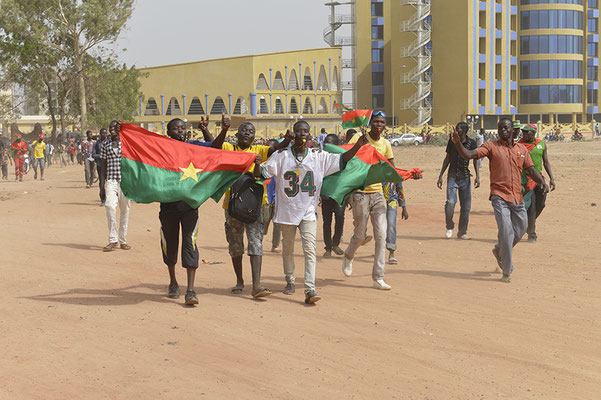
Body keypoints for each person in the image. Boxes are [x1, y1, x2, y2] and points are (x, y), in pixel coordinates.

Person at [261, 120, 367, 303]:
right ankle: (290, 280)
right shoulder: (281, 156)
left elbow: (343, 159)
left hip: (308, 211)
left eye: (305, 131)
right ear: (293, 135)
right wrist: (254, 164)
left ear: (310, 135)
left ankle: (310, 289)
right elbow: (263, 172)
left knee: (310, 250)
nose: (302, 134)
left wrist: (358, 145)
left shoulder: (319, 156)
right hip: (287, 212)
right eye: (298, 131)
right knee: (288, 249)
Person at [451, 118, 549, 282]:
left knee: (522, 228)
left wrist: (543, 182)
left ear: (513, 130)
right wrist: (457, 143)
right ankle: (507, 270)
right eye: (500, 128)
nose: (503, 130)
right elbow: (469, 155)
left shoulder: (522, 149)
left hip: (517, 196)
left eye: (506, 128)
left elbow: (531, 170)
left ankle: (499, 250)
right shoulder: (491, 146)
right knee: (506, 230)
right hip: (499, 196)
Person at [211, 118, 291, 298]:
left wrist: (286, 141)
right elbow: (215, 147)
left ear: (255, 137)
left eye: (251, 131)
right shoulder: (229, 148)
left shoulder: (259, 151)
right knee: (236, 245)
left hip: (255, 206)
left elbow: (274, 150)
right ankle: (239, 281)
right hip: (232, 206)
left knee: (256, 244)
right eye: (244, 130)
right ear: (237, 134)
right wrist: (223, 129)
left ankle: (257, 285)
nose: (247, 133)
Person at [342, 111, 421, 290]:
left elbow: (391, 169)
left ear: (385, 125)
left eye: (382, 122)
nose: (379, 125)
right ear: (370, 124)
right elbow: (345, 160)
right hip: (360, 192)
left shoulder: (385, 144)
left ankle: (378, 277)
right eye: (376, 122)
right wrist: (347, 191)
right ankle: (348, 255)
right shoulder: (357, 138)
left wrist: (409, 175)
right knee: (360, 235)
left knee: (381, 235)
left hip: (378, 194)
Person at [159, 118, 206, 305]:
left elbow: (214, 148)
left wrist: (219, 129)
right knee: (170, 244)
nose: (180, 130)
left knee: (190, 244)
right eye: (176, 128)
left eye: (182, 128)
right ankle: (172, 282)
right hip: (168, 207)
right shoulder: (162, 149)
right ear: (169, 132)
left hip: (189, 208)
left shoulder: (193, 147)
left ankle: (191, 290)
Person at [437, 122, 480, 239]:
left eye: (459, 132)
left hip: (465, 178)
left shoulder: (472, 143)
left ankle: (462, 232)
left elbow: (475, 160)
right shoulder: (452, 142)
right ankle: (449, 225)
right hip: (452, 176)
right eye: (456, 131)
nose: (457, 134)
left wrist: (477, 176)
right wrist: (440, 175)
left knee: (466, 207)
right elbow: (448, 158)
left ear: (465, 132)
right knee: (450, 203)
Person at [518, 123, 556, 243]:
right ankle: (532, 234)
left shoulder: (541, 144)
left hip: (539, 179)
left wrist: (552, 178)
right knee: (531, 206)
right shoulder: (519, 144)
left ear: (533, 133)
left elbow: (546, 162)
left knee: (541, 204)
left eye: (526, 132)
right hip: (525, 180)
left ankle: (528, 224)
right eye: (523, 132)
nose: (523, 134)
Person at [100, 120, 131, 252]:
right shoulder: (105, 144)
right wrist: (102, 185)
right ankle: (113, 240)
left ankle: (123, 240)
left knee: (125, 211)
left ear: (119, 129)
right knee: (110, 207)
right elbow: (103, 165)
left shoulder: (126, 143)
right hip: (111, 180)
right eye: (110, 127)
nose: (112, 129)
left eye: (115, 127)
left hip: (125, 182)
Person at [320, 134, 346, 257]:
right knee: (327, 221)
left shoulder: (343, 157)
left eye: (329, 143)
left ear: (336, 145)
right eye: (325, 142)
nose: (326, 145)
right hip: (325, 194)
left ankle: (335, 243)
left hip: (339, 194)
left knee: (340, 218)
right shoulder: (320, 157)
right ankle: (328, 248)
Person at [262, 139, 282, 253]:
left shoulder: (280, 163)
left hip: (278, 197)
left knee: (277, 222)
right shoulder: (263, 163)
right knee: (264, 219)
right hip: (265, 197)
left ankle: (275, 245)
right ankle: (260, 238)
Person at [383, 181, 407, 264]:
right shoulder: (377, 171)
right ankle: (379, 250)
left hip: (392, 201)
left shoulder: (395, 174)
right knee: (379, 227)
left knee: (391, 224)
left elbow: (400, 189)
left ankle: (391, 252)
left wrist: (404, 207)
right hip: (378, 202)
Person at [92, 128, 108, 205]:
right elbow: (93, 154)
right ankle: (103, 199)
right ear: (100, 134)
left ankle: (109, 198)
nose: (104, 135)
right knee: (102, 183)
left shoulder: (110, 142)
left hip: (109, 166)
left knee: (109, 183)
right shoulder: (96, 144)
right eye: (103, 134)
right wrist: (102, 156)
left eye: (105, 133)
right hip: (100, 165)